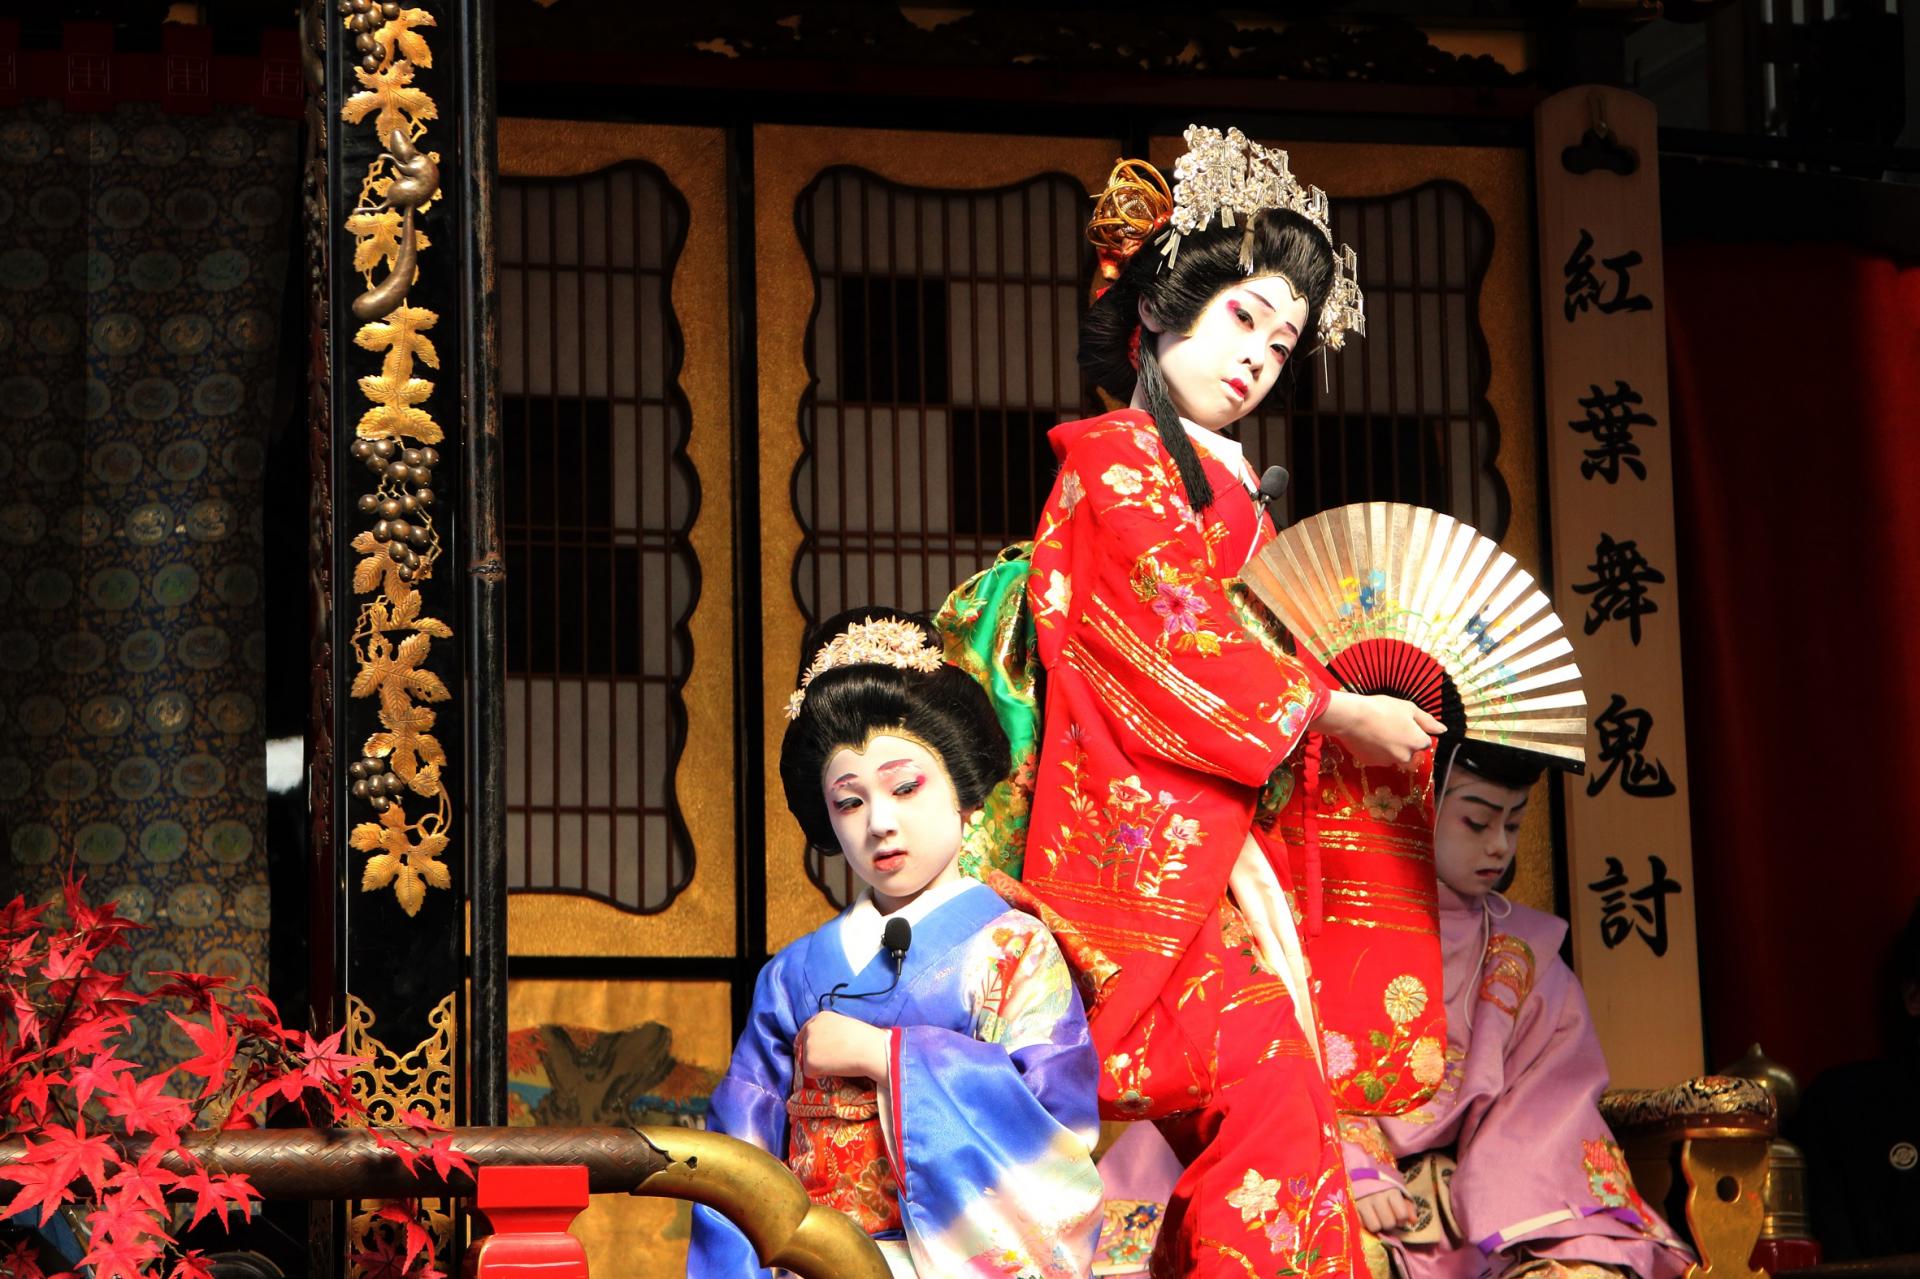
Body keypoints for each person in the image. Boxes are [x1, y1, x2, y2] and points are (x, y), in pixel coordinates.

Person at [1018, 125, 1447, 1279]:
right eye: (1243, 318)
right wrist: (1331, 713)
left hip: (1226, 844)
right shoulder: (1112, 457)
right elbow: (1172, 628)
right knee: (1263, 1089)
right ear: (1162, 311)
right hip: (1136, 841)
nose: (1261, 354)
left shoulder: (1244, 499)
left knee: (1275, 1106)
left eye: (1285, 338)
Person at [687, 609, 1104, 1279]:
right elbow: (737, 1159)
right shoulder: (791, 975)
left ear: (966, 795)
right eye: (849, 801)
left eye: (906, 786)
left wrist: (890, 1055)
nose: (880, 822)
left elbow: (1057, 1135)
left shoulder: (1012, 950)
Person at [1341, 741, 1692, 1279]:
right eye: (1477, 822)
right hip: (1357, 1189)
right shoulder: (1332, 931)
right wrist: (1358, 1163)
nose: (1499, 847)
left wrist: (1498, 1196)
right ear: (1412, 803)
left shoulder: (1524, 954)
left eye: (1513, 824)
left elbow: (1550, 1100)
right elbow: (1286, 1059)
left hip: (1494, 1200)